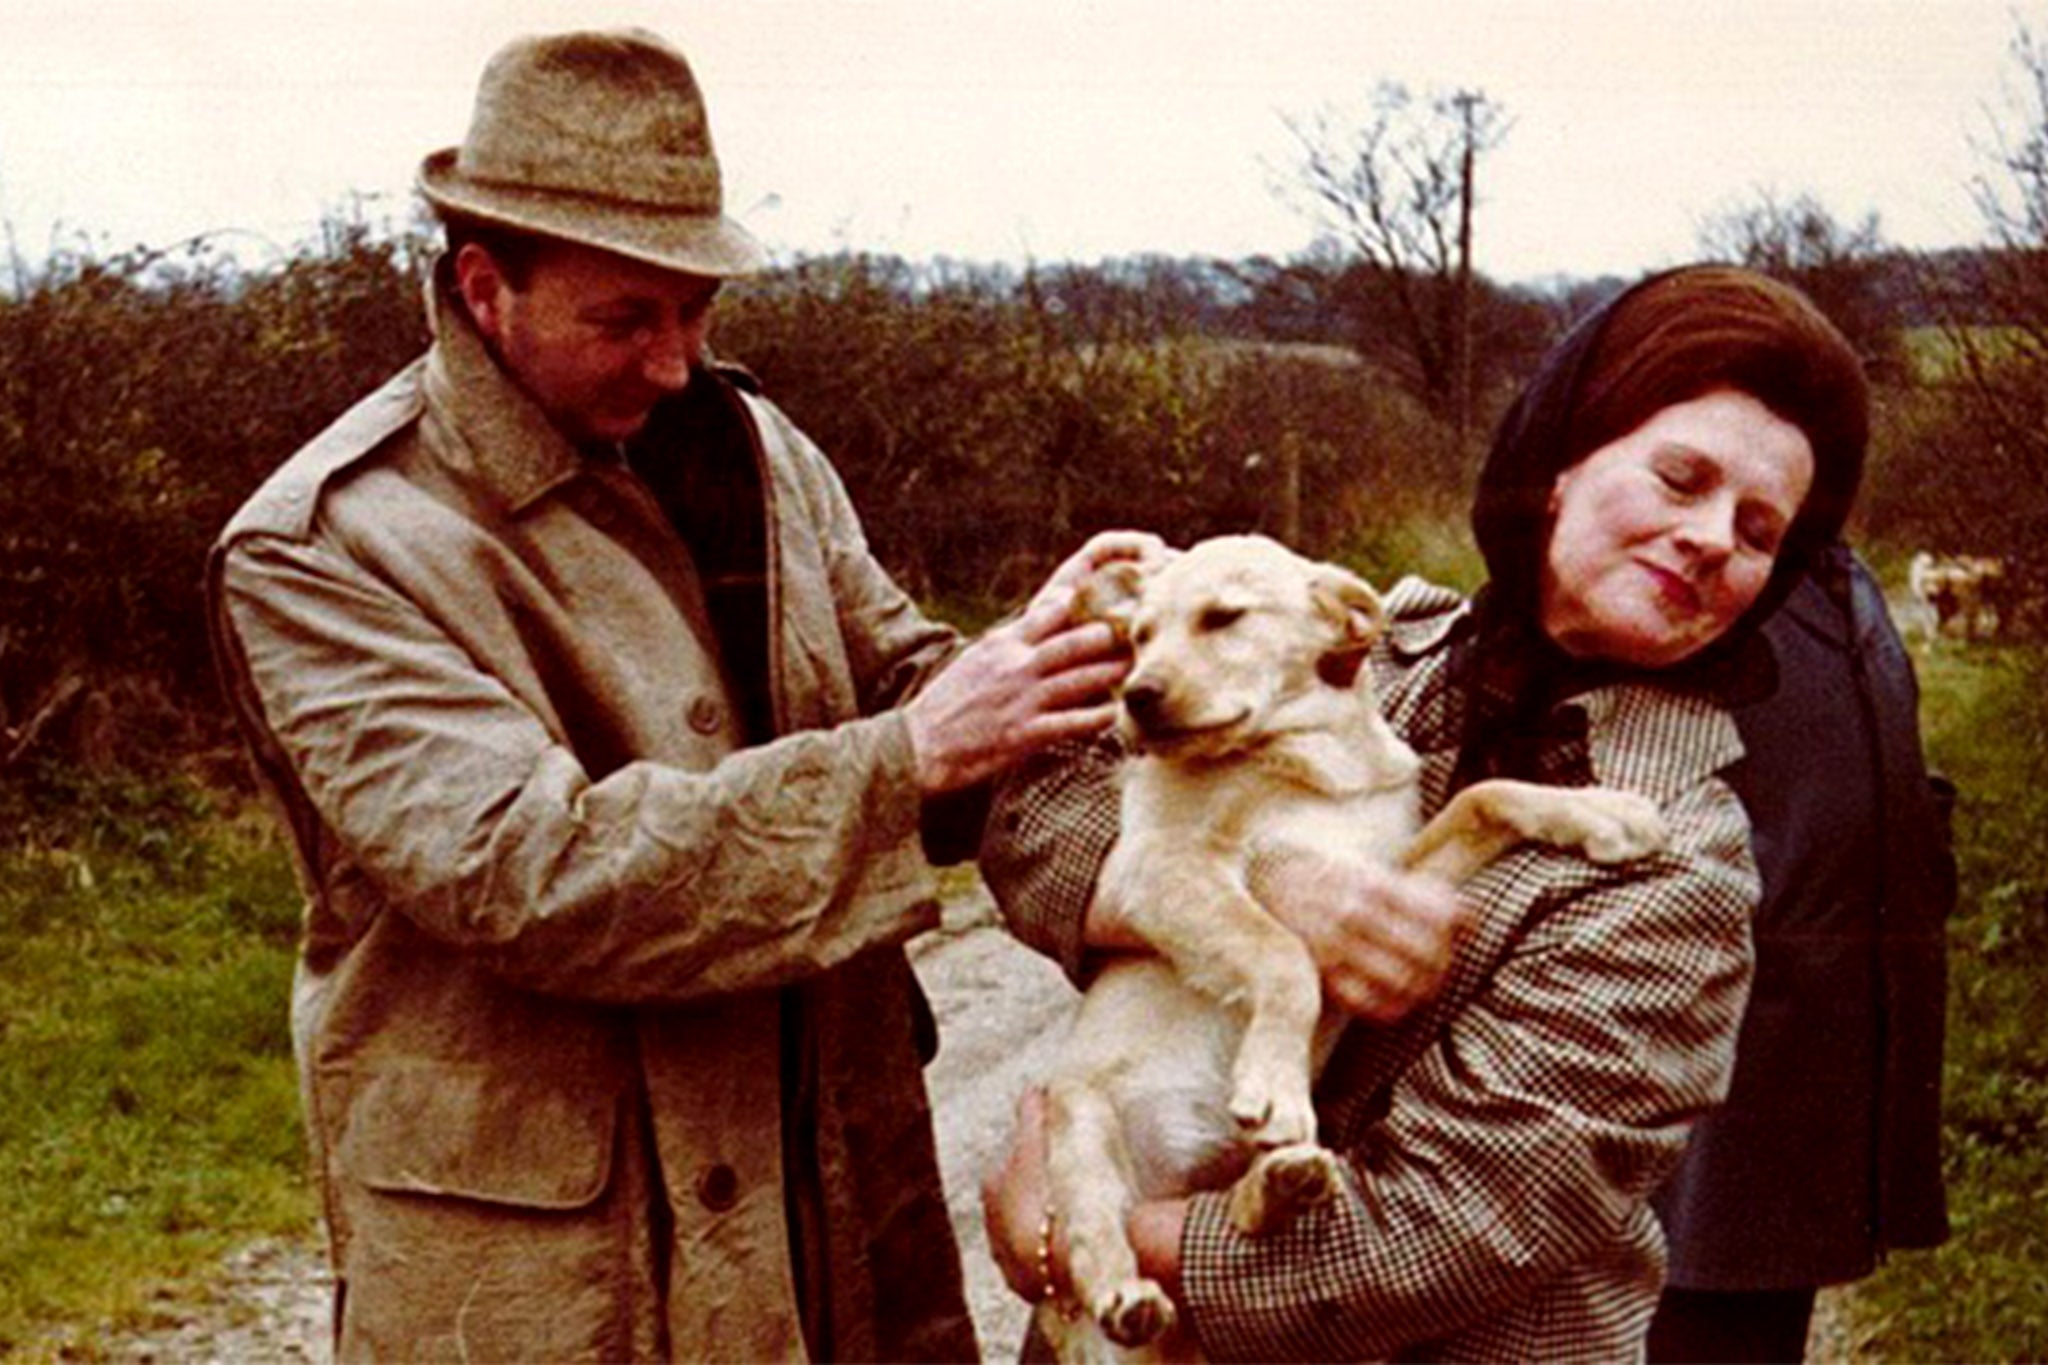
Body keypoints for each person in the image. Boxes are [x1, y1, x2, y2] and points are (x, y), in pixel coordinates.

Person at [206, 28, 1151, 1362]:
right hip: (556, 1281)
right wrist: (910, 753)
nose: (673, 362)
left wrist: (1071, 682)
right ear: (486, 288)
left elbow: (900, 677)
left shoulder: (756, 446)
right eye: (626, 319)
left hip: (834, 1209)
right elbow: (528, 873)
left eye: (697, 312)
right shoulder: (326, 544)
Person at [980, 264, 1872, 1360]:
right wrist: (1271, 889)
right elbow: (1038, 808)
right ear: (1557, 467)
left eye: (1756, 529)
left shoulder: (1676, 861)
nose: (1708, 538)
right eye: (1677, 478)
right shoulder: (1362, 649)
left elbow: (1458, 1227)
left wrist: (1093, 1235)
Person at [1647, 541, 1953, 1363]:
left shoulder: (1841, 573)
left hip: (1825, 1054)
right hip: (1722, 1054)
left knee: (1769, 1319)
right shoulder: (1691, 574)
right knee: (1696, 1318)